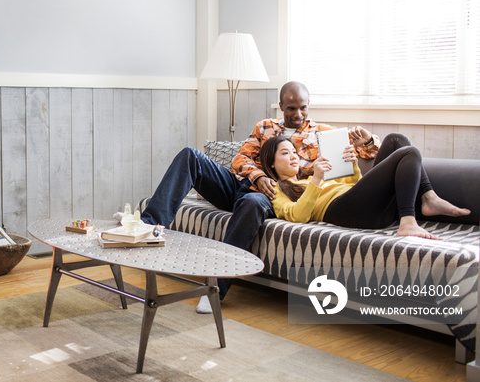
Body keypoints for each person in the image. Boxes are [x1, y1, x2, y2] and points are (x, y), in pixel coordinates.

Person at [135, 81, 380, 313]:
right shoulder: (265, 126)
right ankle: (148, 227)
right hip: (242, 184)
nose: (298, 114)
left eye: (303, 108)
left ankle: (215, 289)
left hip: (273, 195)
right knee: (190, 155)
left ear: (308, 105)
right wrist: (258, 175)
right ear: (281, 106)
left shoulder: (323, 133)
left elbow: (368, 153)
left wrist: (368, 140)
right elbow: (240, 158)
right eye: (292, 108)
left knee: (253, 204)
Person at [260, 134, 470, 238]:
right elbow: (298, 215)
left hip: (360, 204)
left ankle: (428, 197)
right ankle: (408, 221)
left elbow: (354, 184)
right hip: (344, 211)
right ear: (271, 162)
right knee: (409, 153)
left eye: (294, 152)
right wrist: (316, 179)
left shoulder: (309, 177)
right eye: (285, 153)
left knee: (397, 140)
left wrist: (352, 162)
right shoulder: (276, 190)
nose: (293, 157)